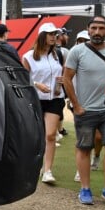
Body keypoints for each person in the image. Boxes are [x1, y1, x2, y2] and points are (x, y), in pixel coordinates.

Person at [63, 15, 105, 208]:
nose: (97, 32)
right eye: (94, 28)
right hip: (85, 110)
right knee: (84, 148)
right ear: (88, 29)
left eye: (101, 28)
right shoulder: (77, 51)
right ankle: (85, 188)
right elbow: (66, 79)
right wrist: (76, 105)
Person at [22, 22, 65, 184]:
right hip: (35, 100)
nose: (54, 36)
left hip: (55, 99)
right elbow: (23, 79)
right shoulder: (28, 56)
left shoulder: (58, 55)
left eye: (55, 34)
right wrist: (37, 84)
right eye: (51, 34)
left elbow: (61, 76)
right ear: (42, 36)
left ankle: (47, 171)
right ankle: (36, 167)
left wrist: (59, 84)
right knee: (37, 137)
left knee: (50, 135)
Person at [71, 30, 103, 182]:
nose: (82, 43)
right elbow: (66, 79)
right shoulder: (73, 56)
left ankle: (96, 157)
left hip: (100, 104)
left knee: (98, 137)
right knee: (83, 138)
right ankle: (80, 169)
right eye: (79, 40)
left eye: (85, 40)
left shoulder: (100, 57)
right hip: (79, 104)